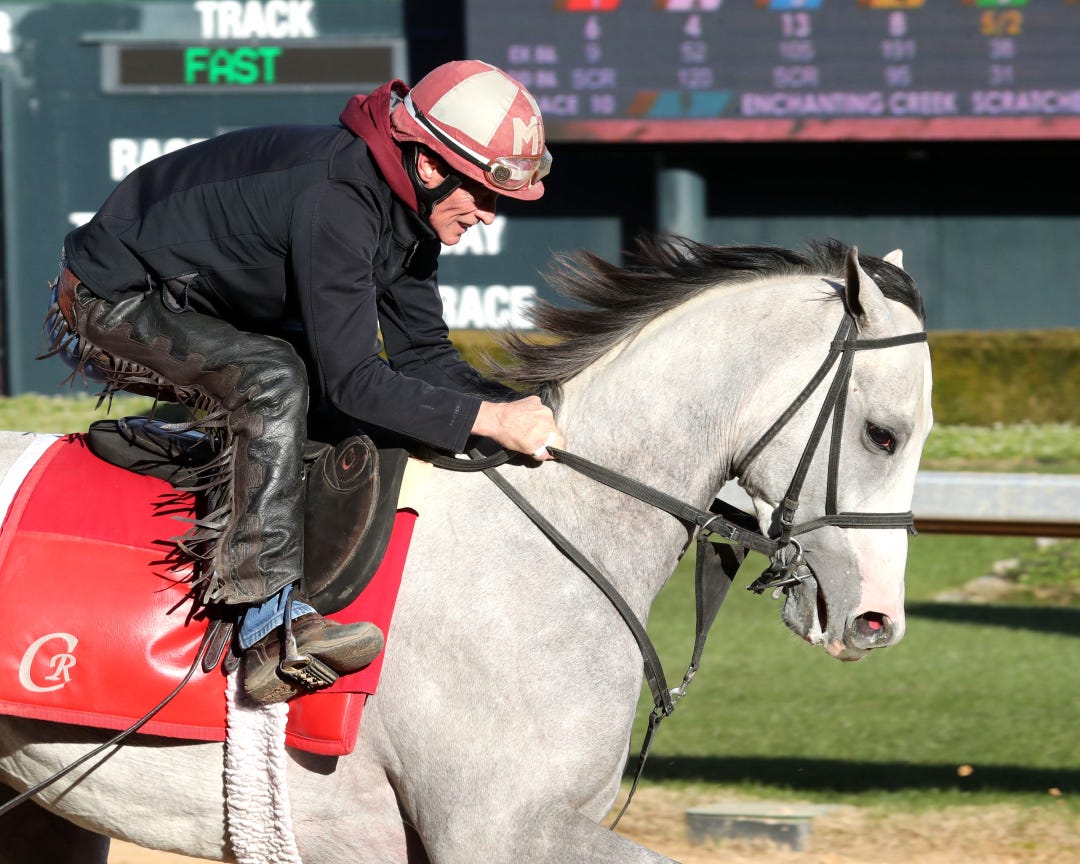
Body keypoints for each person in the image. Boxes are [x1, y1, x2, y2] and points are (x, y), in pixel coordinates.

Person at [43, 59, 565, 705]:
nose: (489, 216)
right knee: (275, 381)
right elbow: (352, 381)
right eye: (483, 195)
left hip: (207, 304)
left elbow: (424, 355)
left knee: (317, 384)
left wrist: (503, 407)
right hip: (110, 299)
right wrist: (488, 420)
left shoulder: (407, 213)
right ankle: (266, 628)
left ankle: (202, 454)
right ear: (431, 168)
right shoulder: (339, 200)